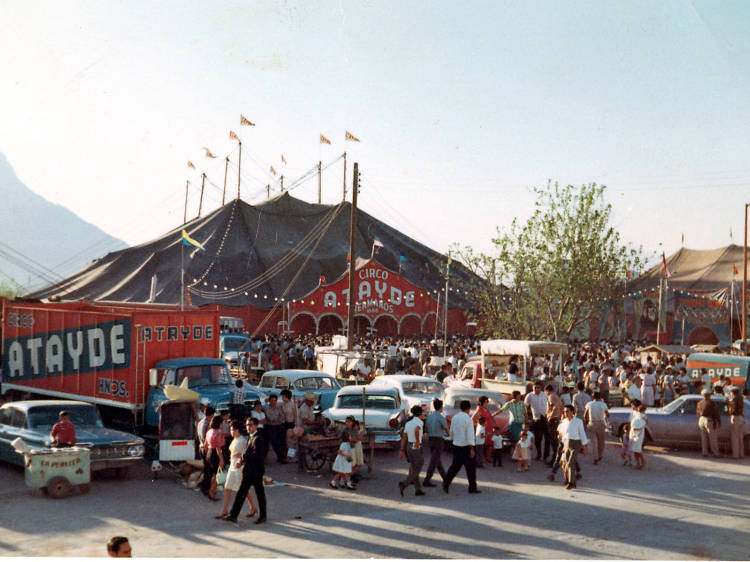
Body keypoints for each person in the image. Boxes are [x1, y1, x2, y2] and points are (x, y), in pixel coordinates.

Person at [224, 417, 267, 524]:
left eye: (251, 425)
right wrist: (241, 461)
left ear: (256, 426)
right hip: (248, 470)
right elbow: (248, 454)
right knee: (241, 493)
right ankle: (233, 515)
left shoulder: (258, 439)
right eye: (247, 425)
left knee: (259, 494)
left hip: (256, 471)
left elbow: (257, 455)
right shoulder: (250, 438)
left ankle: (262, 516)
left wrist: (242, 456)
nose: (249, 427)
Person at [217, 420, 258, 520]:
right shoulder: (235, 440)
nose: (232, 432)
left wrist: (241, 461)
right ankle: (225, 510)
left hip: (240, 468)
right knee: (228, 488)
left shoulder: (243, 441)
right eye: (231, 430)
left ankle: (253, 507)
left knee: (243, 490)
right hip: (232, 466)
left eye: (234, 430)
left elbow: (246, 454)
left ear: (238, 430)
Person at [442, 400, 480, 494]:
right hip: (466, 446)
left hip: (456, 444)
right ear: (468, 409)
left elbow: (451, 430)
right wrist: (471, 448)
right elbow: (470, 435)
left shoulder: (455, 417)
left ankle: (446, 483)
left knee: (455, 467)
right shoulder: (468, 419)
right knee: (470, 468)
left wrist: (451, 438)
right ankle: (472, 487)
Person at [398, 405, 426, 496]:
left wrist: (402, 450)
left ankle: (418, 489)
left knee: (414, 467)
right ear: (420, 413)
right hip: (416, 446)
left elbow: (404, 437)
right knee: (419, 466)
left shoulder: (408, 423)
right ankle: (405, 483)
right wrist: (418, 441)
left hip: (409, 446)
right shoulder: (419, 422)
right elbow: (417, 430)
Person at [560, 404, 588, 490]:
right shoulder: (564, 421)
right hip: (567, 443)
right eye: (564, 411)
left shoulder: (578, 421)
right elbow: (564, 434)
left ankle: (571, 482)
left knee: (570, 463)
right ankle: (571, 481)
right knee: (567, 463)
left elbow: (582, 434)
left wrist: (584, 447)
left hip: (576, 443)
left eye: (567, 411)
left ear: (572, 412)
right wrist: (564, 447)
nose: (566, 413)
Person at [423, 398, 448, 487]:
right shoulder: (441, 417)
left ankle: (446, 478)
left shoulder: (429, 416)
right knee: (434, 461)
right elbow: (446, 429)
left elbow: (426, 428)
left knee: (437, 460)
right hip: (438, 440)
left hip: (431, 439)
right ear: (441, 407)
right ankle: (427, 480)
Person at [524, 383, 549, 461]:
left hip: (546, 418)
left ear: (541, 388)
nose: (537, 389)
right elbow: (525, 407)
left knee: (547, 438)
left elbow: (550, 404)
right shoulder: (529, 396)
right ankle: (539, 454)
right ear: (532, 388)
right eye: (535, 388)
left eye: (538, 387)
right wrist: (527, 418)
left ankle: (546, 456)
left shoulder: (545, 395)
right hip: (537, 419)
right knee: (538, 439)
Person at [584, 392, 609, 465]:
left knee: (594, 442)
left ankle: (595, 458)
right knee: (601, 442)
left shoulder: (589, 404)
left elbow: (585, 415)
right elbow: (607, 415)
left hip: (592, 423)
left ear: (592, 397)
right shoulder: (603, 404)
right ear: (600, 397)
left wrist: (587, 422)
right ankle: (600, 455)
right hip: (601, 423)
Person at [205, 415, 226, 501]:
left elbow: (206, 445)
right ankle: (211, 492)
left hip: (209, 453)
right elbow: (218, 447)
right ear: (219, 423)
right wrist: (221, 459)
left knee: (213, 474)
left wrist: (207, 455)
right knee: (219, 475)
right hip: (216, 454)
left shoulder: (209, 431)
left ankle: (211, 491)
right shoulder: (218, 433)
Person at [471, 396, 496, 465]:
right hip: (484, 429)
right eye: (486, 401)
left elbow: (490, 417)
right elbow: (473, 417)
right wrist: (479, 423)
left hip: (489, 428)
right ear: (482, 402)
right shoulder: (479, 409)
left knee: (489, 444)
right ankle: (482, 458)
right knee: (483, 443)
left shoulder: (486, 409)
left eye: (487, 401)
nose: (487, 403)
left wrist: (494, 425)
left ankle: (488, 457)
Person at [697, 389, 722, 458]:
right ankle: (716, 453)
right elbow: (715, 413)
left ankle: (705, 453)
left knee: (704, 438)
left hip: (701, 420)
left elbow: (698, 413)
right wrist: (718, 421)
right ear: (709, 395)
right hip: (709, 420)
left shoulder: (700, 403)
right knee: (712, 438)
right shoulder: (711, 403)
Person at [264, 394, 287, 463]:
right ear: (269, 401)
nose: (273, 402)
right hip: (270, 426)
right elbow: (270, 419)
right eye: (272, 400)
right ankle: (280, 457)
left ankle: (282, 457)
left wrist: (277, 419)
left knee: (282, 442)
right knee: (274, 442)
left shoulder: (279, 408)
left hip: (278, 425)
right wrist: (277, 418)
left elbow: (283, 417)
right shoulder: (266, 408)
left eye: (275, 401)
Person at [545, 384, 563, 466]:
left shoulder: (551, 396)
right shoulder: (557, 397)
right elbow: (561, 407)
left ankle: (555, 460)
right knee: (555, 440)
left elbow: (554, 407)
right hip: (557, 419)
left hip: (553, 419)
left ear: (547, 391)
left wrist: (550, 417)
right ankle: (556, 459)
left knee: (554, 441)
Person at [727, 387, 745, 460]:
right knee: (740, 437)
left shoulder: (735, 399)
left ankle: (735, 455)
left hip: (735, 417)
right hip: (740, 417)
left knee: (735, 437)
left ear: (733, 393)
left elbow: (733, 408)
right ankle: (741, 454)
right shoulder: (741, 398)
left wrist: (728, 402)